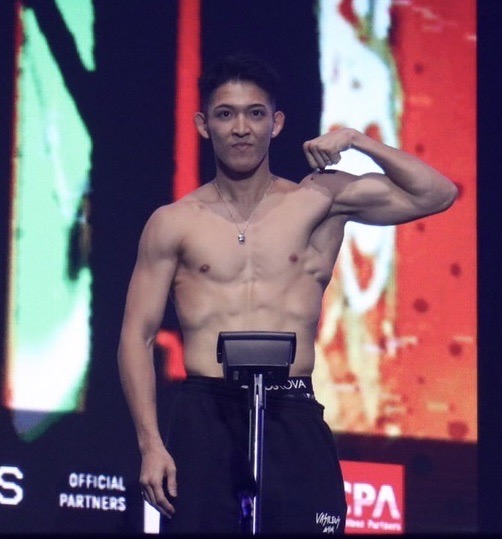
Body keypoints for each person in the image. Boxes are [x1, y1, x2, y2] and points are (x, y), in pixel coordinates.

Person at [117, 53, 458, 534]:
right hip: (205, 412)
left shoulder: (319, 201)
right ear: (204, 125)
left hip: (291, 408)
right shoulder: (173, 223)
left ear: (275, 123)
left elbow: (437, 193)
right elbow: (137, 336)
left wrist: (358, 140)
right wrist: (151, 444)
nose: (241, 128)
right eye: (225, 114)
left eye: (255, 113)